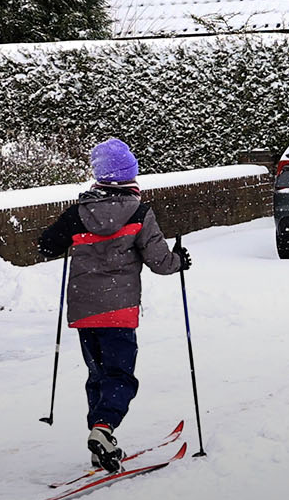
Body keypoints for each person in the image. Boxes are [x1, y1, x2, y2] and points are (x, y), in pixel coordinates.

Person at [37, 138, 189, 470]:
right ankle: (104, 429)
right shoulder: (139, 212)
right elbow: (160, 262)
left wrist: (66, 237)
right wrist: (180, 260)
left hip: (84, 310)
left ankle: (98, 441)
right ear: (130, 175)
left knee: (97, 374)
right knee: (120, 375)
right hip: (119, 310)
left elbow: (46, 244)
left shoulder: (77, 214)